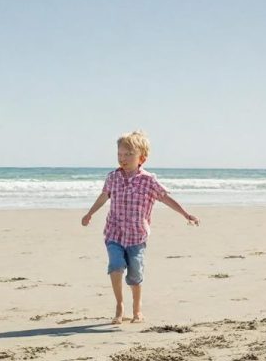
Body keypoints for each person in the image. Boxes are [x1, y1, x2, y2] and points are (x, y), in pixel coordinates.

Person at [81, 131, 199, 324]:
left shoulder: (148, 180)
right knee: (115, 266)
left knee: (135, 274)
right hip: (114, 232)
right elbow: (104, 196)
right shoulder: (113, 177)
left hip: (137, 236)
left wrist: (185, 214)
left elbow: (165, 198)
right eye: (120, 154)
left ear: (141, 158)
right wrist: (90, 213)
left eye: (128, 155)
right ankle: (119, 305)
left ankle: (137, 308)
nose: (123, 159)